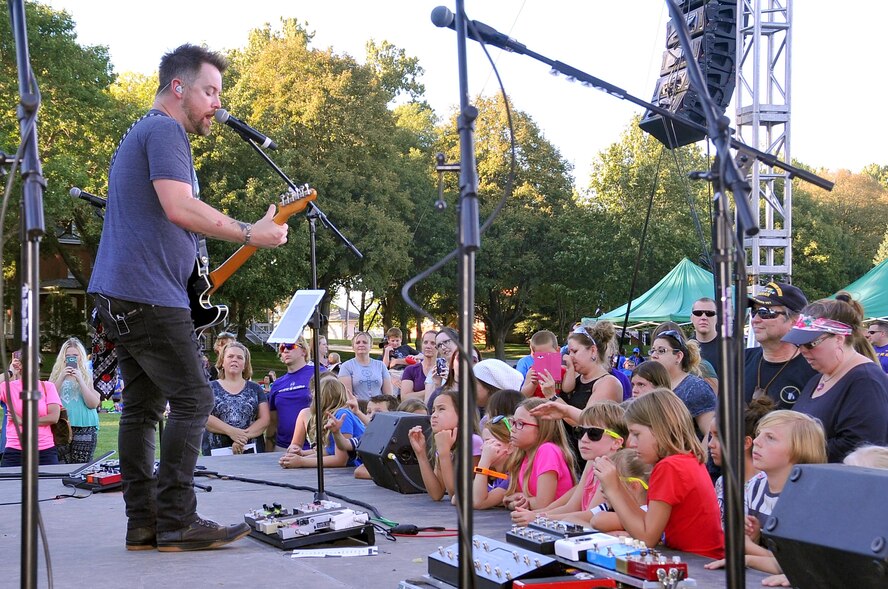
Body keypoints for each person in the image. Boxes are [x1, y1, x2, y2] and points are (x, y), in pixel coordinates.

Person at [87, 44, 287, 551]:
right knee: (195, 397)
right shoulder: (165, 130)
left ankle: (145, 523)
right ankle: (178, 518)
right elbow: (180, 207)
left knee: (141, 407)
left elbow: (166, 218)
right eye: (209, 90)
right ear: (179, 87)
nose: (217, 103)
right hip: (148, 296)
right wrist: (249, 232)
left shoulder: (141, 132)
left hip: (120, 293)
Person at [592, 389, 724, 558]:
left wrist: (613, 490)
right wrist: (617, 486)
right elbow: (647, 522)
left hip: (700, 565)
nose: (631, 443)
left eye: (636, 434)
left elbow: (647, 538)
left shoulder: (670, 467)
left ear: (659, 429)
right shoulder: (683, 460)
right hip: (703, 560)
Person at [705, 410, 827, 576]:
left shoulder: (807, 498)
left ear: (799, 449)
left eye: (770, 437)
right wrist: (753, 536)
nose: (756, 441)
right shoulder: (755, 486)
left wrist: (749, 552)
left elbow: (797, 566)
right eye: (759, 434)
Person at [783, 294, 888, 462]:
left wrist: (792, 452)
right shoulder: (817, 379)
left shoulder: (866, 382)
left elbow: (861, 448)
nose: (802, 350)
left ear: (839, 339)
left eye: (810, 343)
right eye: (798, 343)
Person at [511, 401, 627, 527]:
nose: (583, 439)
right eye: (580, 432)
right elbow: (571, 506)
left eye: (594, 434)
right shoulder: (592, 462)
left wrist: (538, 518)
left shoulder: (614, 469)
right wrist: (536, 515)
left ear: (616, 442)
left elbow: (589, 515)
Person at [744, 282, 816, 408]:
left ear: (794, 321)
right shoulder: (740, 360)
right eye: (754, 311)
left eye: (765, 312)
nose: (755, 320)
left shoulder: (814, 368)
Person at [707, 397, 774, 525]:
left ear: (745, 442)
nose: (710, 444)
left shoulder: (763, 485)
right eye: (711, 436)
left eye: (718, 436)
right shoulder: (722, 481)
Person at [503, 398, 577, 511]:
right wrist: (516, 502)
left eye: (520, 424)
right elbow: (509, 499)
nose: (512, 429)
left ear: (542, 428)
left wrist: (518, 501)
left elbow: (542, 504)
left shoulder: (547, 450)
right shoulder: (522, 455)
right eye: (512, 422)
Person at [408, 390, 482, 501]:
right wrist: (421, 454)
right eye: (433, 410)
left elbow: (455, 493)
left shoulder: (473, 441)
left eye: (441, 409)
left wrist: (444, 453)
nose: (433, 415)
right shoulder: (444, 442)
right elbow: (436, 493)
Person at [280, 376, 364, 469]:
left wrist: (302, 462)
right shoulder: (331, 416)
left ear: (322, 398)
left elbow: (340, 460)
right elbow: (329, 451)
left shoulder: (342, 416)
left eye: (314, 397)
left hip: (360, 468)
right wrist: (298, 457)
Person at [202, 342, 269, 455]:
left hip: (250, 451)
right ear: (222, 362)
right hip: (216, 452)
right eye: (230, 356)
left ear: (245, 365)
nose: (234, 360)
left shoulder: (256, 389)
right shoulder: (209, 388)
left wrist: (241, 438)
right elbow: (204, 416)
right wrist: (231, 432)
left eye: (239, 357)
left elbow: (264, 419)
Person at [648, 329, 716, 439]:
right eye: (653, 351)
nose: (654, 355)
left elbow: (711, 434)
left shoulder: (695, 387)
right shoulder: (652, 385)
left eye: (661, 351)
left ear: (678, 356)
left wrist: (701, 456)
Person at [1, 353, 61, 467]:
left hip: (45, 450)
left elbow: (54, 417)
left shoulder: (47, 386)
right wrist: (10, 372)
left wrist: (23, 421)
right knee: (8, 484)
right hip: (15, 449)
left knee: (50, 483)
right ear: (21, 365)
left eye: (38, 364)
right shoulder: (9, 387)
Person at [50, 337, 101, 464]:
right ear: (63, 357)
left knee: (81, 466)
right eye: (68, 355)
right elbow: (49, 399)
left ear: (81, 356)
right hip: (61, 427)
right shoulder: (56, 374)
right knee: (61, 465)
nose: (71, 358)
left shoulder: (88, 374)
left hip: (85, 426)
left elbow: (93, 404)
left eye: (75, 355)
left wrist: (81, 381)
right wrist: (61, 377)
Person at [266, 337, 323, 452]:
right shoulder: (277, 384)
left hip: (312, 449)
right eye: (282, 348)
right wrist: (268, 451)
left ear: (304, 351)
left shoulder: (319, 373)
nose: (285, 350)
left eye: (290, 346)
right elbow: (273, 422)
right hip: (282, 448)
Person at [472, 417, 514, 509]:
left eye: (488, 442)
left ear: (510, 447)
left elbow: (478, 503)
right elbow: (456, 497)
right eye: (484, 442)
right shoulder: (496, 476)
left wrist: (484, 462)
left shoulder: (512, 477)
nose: (482, 447)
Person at [338, 332, 393, 401]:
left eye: (365, 342)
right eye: (358, 342)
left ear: (370, 346)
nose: (361, 345)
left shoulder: (381, 365)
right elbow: (347, 396)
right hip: (357, 408)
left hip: (379, 409)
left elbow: (388, 395)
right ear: (353, 347)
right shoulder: (346, 366)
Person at [400, 330, 437, 401]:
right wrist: (433, 389)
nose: (428, 346)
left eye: (433, 343)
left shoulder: (444, 370)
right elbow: (405, 398)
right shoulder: (410, 370)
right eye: (425, 342)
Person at [690, 297, 720, 377]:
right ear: (691, 318)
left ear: (717, 318)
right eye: (698, 313)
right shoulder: (685, 348)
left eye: (709, 313)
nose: (703, 317)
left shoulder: (729, 347)